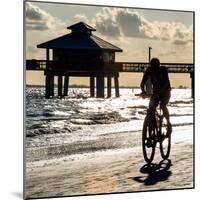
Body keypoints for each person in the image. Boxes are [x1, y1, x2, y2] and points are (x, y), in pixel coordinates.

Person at [140, 58, 172, 133]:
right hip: (155, 92)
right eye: (152, 66)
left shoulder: (163, 70)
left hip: (165, 91)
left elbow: (166, 83)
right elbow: (142, 83)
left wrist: (160, 92)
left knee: (163, 105)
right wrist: (143, 91)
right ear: (151, 66)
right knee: (151, 107)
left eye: (156, 66)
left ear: (159, 65)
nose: (154, 68)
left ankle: (168, 123)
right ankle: (151, 122)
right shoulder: (149, 70)